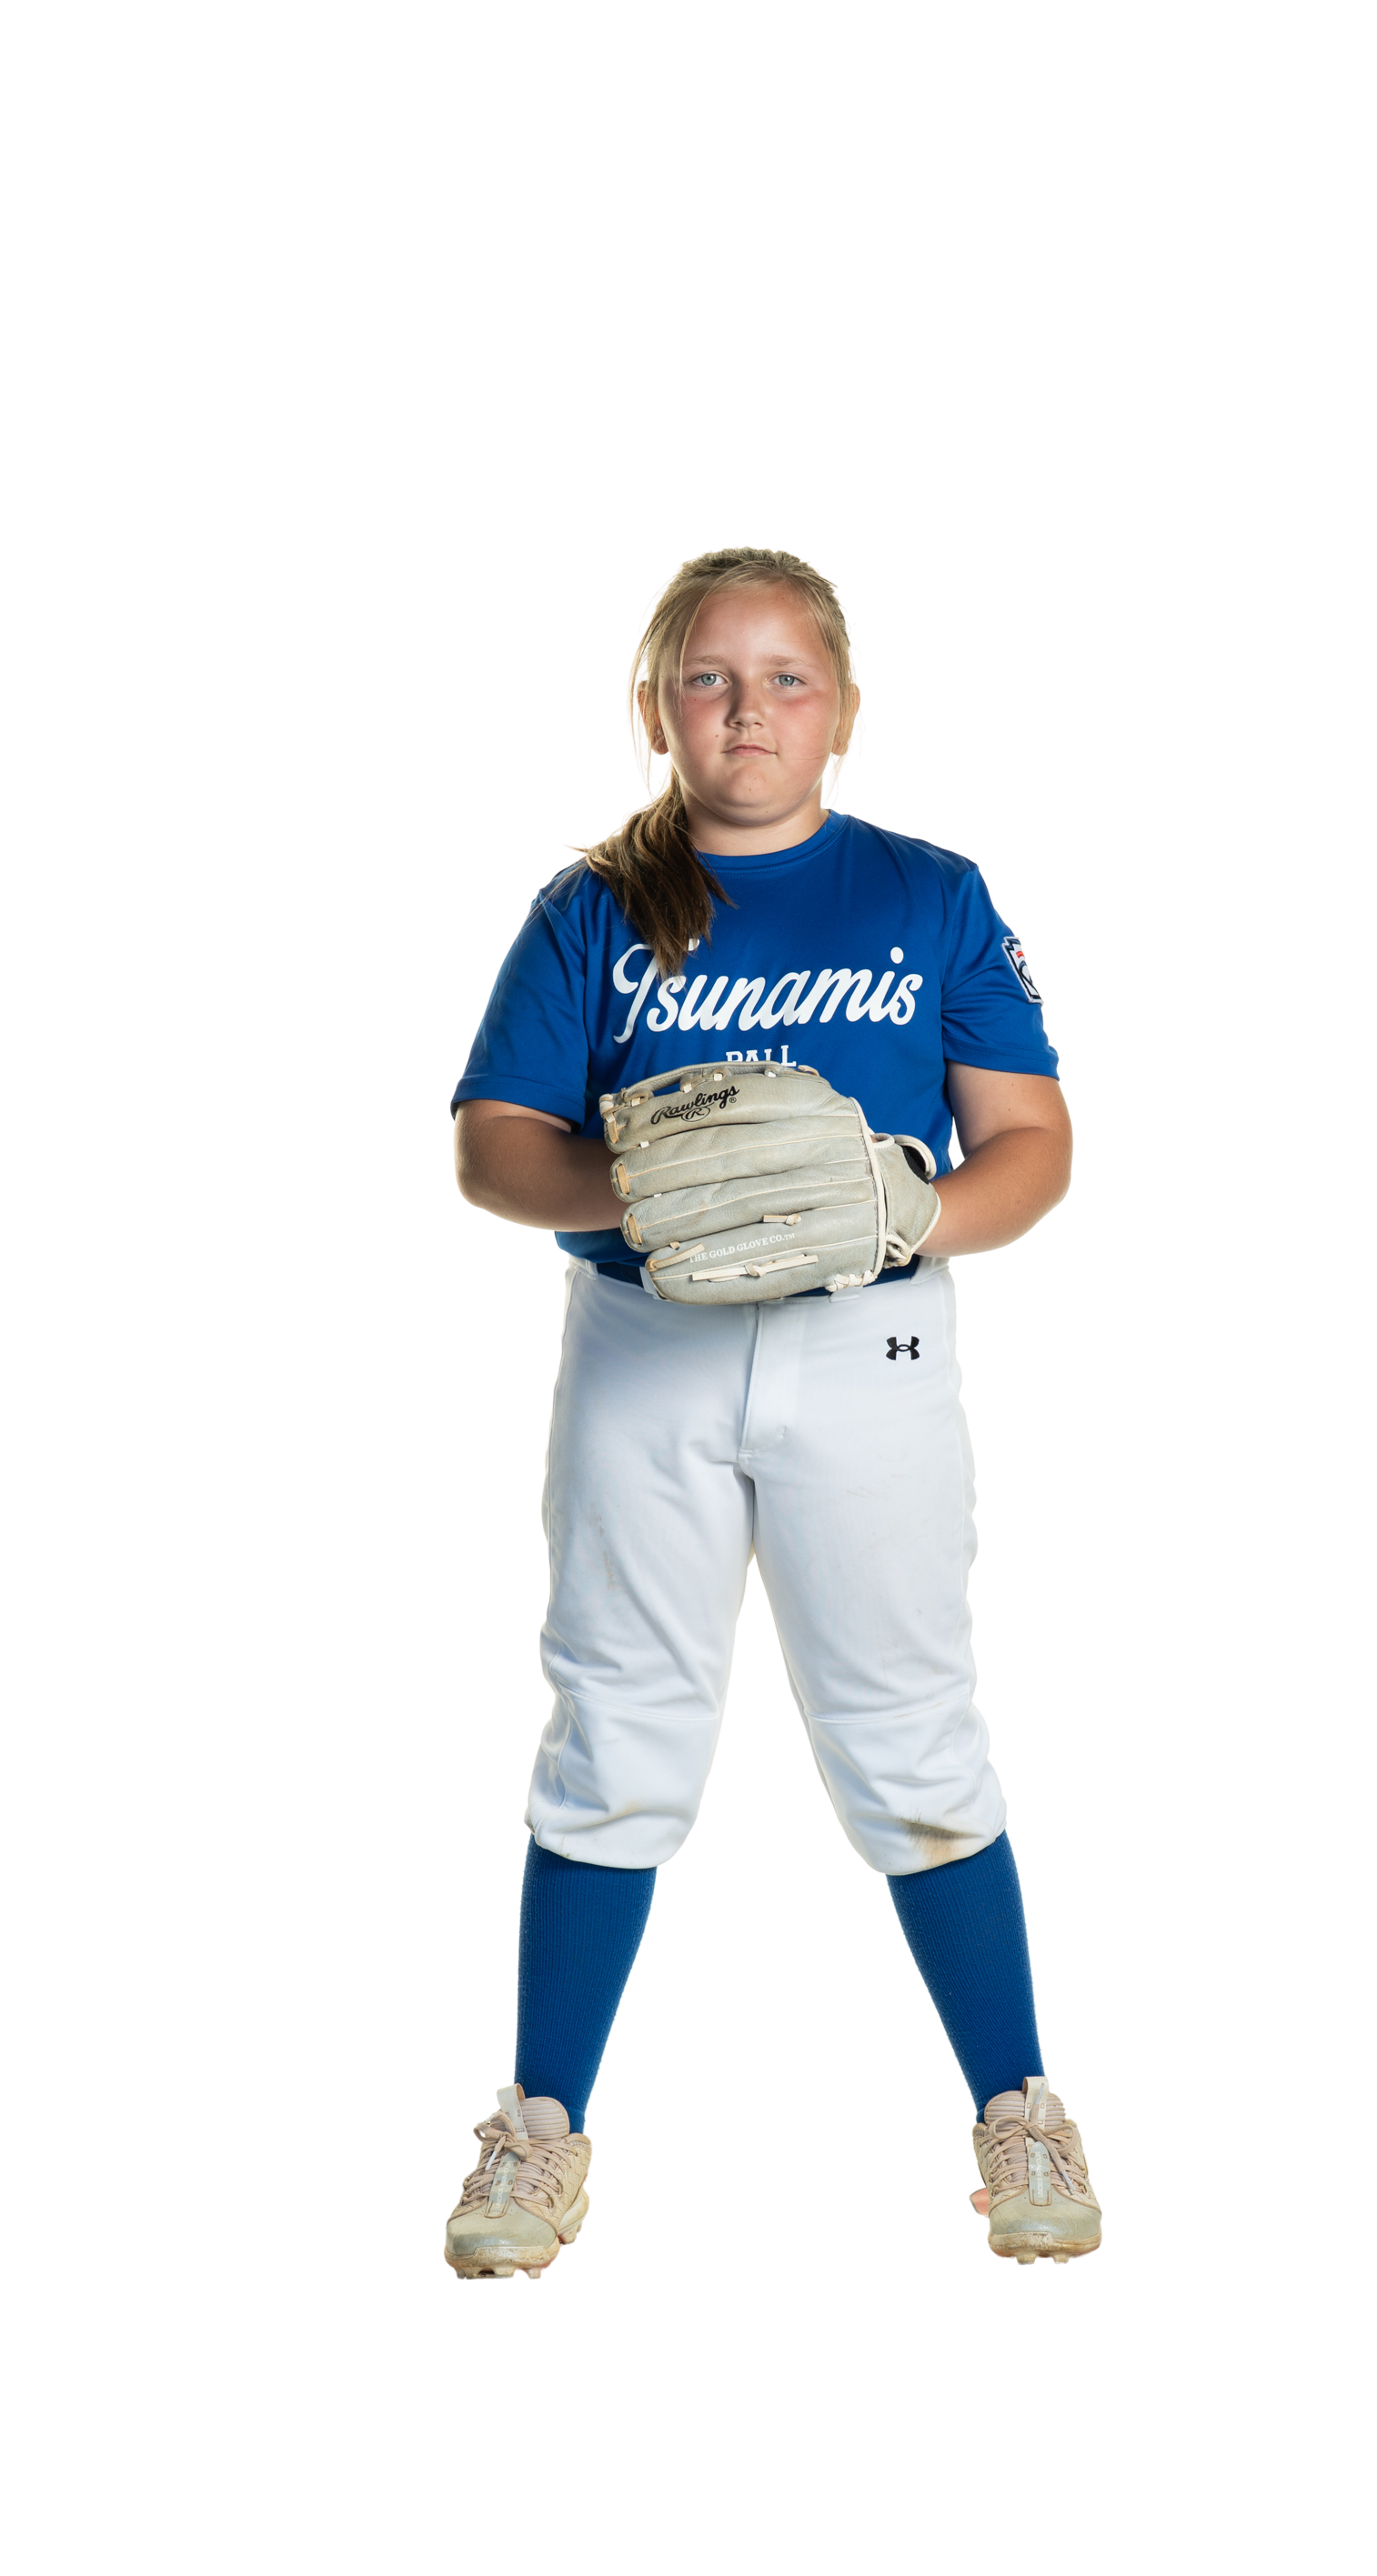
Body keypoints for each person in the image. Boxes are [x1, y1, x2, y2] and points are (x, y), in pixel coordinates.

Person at [445, 544, 1101, 2281]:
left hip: (865, 1343)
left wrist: (907, 1211)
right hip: (643, 1340)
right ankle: (537, 2131)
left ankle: (1022, 2107)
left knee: (913, 1730)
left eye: (786, 677)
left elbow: (1034, 1146)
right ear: (655, 710)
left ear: (845, 710)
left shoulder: (929, 889)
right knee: (613, 1726)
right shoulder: (591, 905)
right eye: (711, 678)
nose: (749, 709)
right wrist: (643, 1185)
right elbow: (492, 1147)